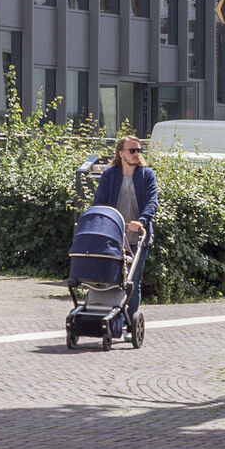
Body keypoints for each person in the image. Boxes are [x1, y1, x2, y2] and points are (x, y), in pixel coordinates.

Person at [92, 135, 158, 318]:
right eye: (132, 150)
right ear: (121, 153)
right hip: (114, 237)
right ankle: (113, 316)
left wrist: (142, 221)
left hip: (137, 238)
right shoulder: (109, 174)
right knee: (112, 279)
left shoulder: (146, 175)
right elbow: (99, 202)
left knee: (132, 281)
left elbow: (152, 203)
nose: (136, 154)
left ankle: (130, 319)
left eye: (138, 150)